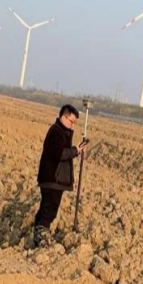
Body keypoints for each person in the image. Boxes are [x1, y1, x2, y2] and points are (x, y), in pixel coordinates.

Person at [34, 104, 87, 246]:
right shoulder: (56, 132)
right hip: (52, 179)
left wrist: (76, 151)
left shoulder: (61, 132)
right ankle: (41, 239)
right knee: (49, 210)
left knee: (46, 209)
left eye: (74, 123)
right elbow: (59, 154)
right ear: (63, 117)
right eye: (71, 121)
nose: (72, 125)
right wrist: (75, 150)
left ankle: (39, 237)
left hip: (54, 179)